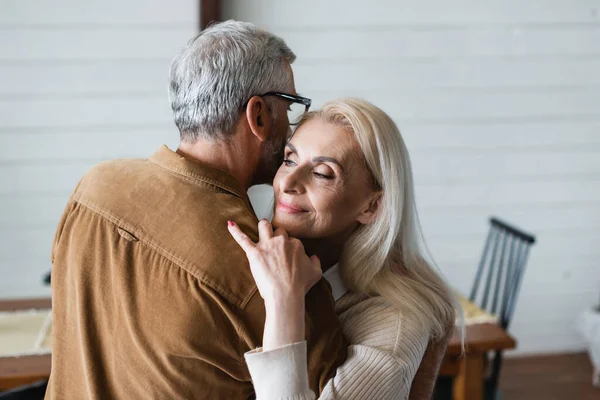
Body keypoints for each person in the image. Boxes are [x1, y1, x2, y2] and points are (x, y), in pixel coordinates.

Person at [46, 21, 346, 399]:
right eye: (290, 107)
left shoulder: (93, 186)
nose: (290, 127)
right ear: (258, 117)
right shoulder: (271, 270)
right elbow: (332, 390)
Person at [228, 98, 460, 399]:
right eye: (289, 160)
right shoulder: (260, 253)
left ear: (371, 205)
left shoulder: (395, 328)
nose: (289, 183)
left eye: (323, 173)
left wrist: (284, 300)